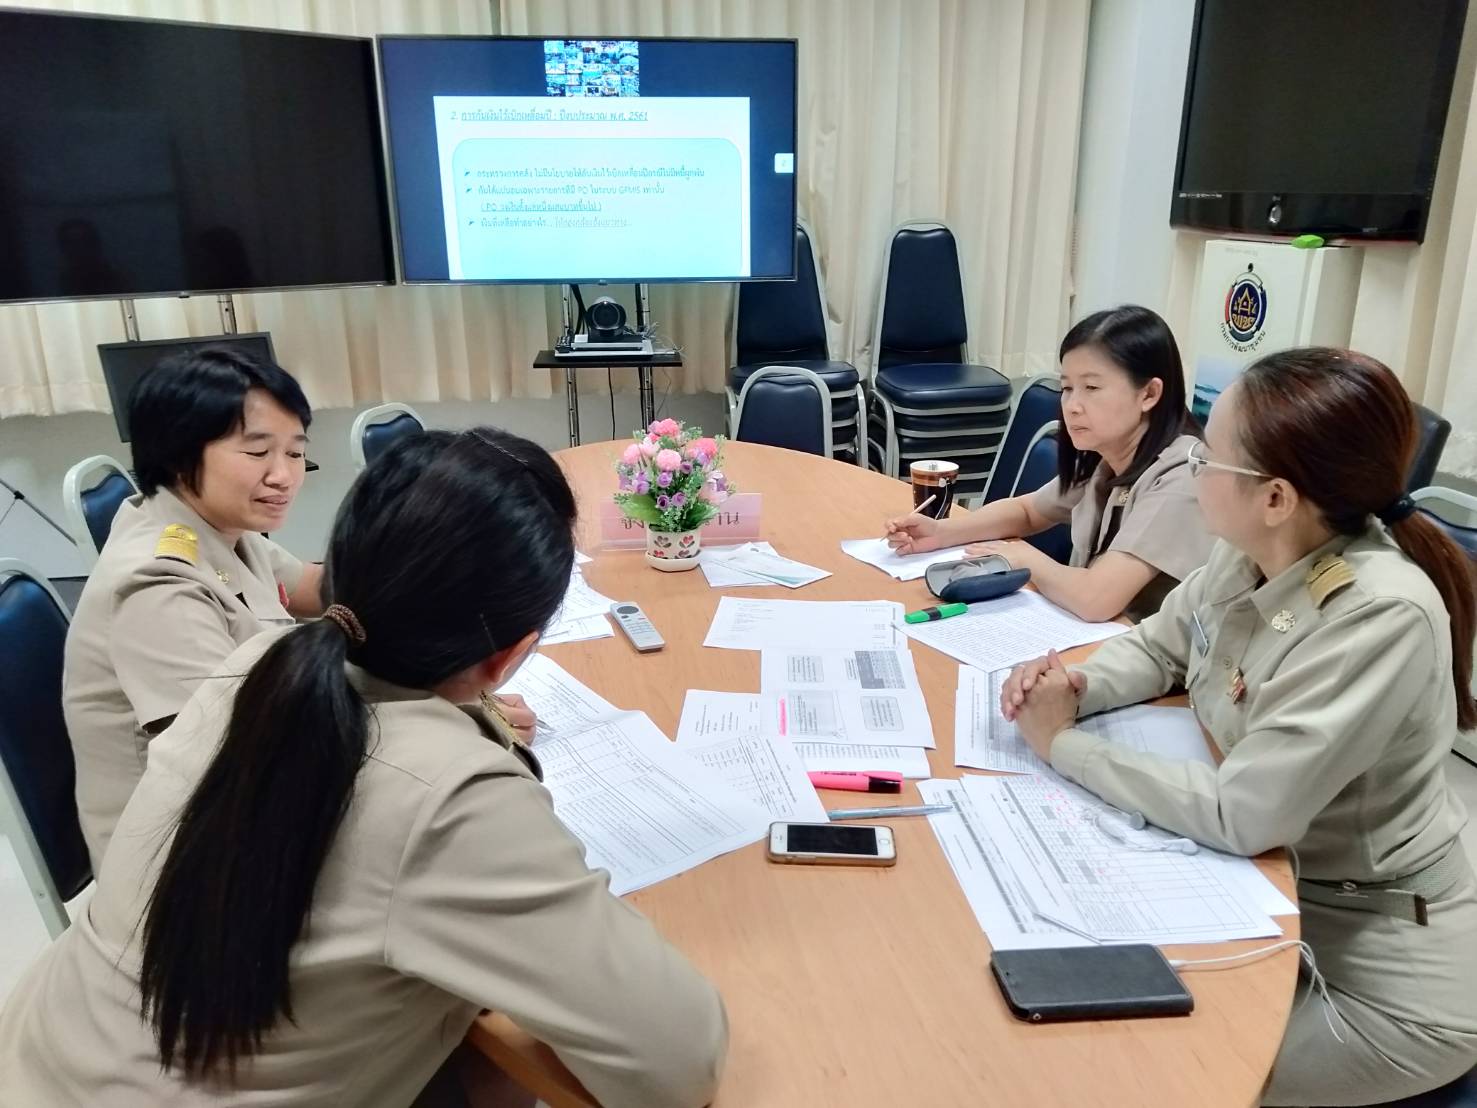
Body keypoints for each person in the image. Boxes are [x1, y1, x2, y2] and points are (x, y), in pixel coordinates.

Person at [0, 428, 728, 1108]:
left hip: (53, 1061)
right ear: (507, 657)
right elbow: (675, 1060)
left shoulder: (258, 664)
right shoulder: (449, 799)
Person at [1000, 348, 1477, 1105]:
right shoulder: (1252, 551)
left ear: (1276, 497)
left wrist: (1062, 744)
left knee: (1169, 1077)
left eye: (1210, 457)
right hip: (1270, 902)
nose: (1192, 469)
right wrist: (1076, 684)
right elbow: (1162, 644)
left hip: (1377, 974)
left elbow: (1241, 811)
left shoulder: (1379, 615)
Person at [62, 347, 331, 868]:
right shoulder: (157, 583)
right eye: (258, 454)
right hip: (185, 865)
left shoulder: (225, 528)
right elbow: (236, 758)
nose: (284, 476)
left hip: (250, 812)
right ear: (180, 454)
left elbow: (317, 590)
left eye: (295, 453)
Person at [884, 305, 1214, 622]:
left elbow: (1096, 599)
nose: (1071, 405)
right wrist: (941, 532)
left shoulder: (1181, 476)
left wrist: (1025, 558)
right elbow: (1029, 512)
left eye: (1092, 387)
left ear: (1149, 394)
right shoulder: (1110, 456)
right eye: (1067, 387)